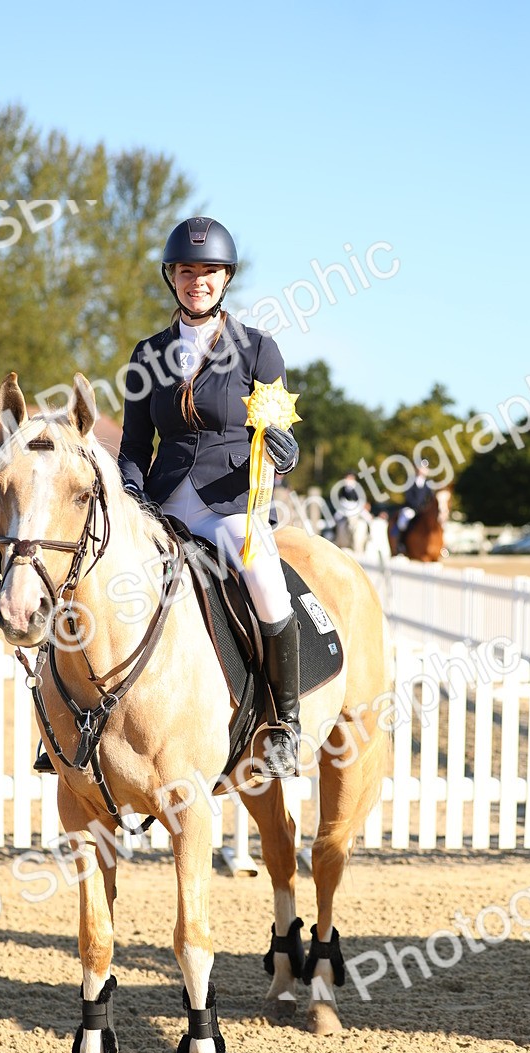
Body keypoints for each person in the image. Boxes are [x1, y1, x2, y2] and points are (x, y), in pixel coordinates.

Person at [116, 216, 301, 778]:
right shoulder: (147, 355)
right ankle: (83, 724)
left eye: (209, 271)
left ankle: (284, 723)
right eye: (186, 270)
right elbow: (131, 446)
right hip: (163, 507)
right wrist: (129, 492)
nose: (197, 280)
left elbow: (271, 426)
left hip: (231, 505)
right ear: (171, 277)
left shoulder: (257, 350)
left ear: (226, 279)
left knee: (268, 585)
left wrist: (285, 448)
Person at [394, 460, 432, 550]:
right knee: (402, 522)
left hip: (422, 510)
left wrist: (425, 507)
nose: (423, 470)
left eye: (425, 468)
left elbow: (430, 498)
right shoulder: (410, 481)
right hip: (411, 509)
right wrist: (416, 506)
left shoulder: (428, 485)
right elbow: (408, 497)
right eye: (421, 468)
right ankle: (401, 544)